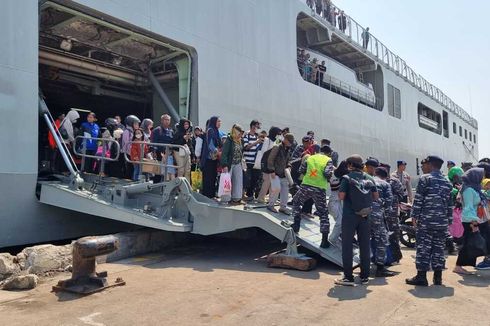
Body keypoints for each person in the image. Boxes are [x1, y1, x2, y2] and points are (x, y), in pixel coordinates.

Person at [406, 156, 453, 286]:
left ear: (431, 165)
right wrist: (449, 220)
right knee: (439, 249)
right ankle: (438, 278)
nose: (422, 167)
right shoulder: (447, 182)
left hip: (426, 221)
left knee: (423, 248)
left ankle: (421, 277)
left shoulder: (425, 179)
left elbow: (419, 199)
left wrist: (414, 216)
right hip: (442, 222)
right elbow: (450, 204)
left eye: (424, 165)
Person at [335, 155, 378, 286]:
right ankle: (365, 276)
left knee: (347, 245)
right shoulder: (370, 178)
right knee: (365, 245)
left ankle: (348, 277)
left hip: (350, 216)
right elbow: (376, 197)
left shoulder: (347, 178)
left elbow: (341, 196)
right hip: (365, 215)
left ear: (350, 165)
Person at [291, 145, 333, 247]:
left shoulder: (311, 157)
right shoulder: (328, 160)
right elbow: (328, 174)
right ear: (328, 153)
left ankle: (296, 224)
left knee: (296, 202)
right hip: (319, 188)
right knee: (323, 212)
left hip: (306, 185)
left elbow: (301, 170)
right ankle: (324, 240)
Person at [453, 167, 487, 275]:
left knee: (472, 242)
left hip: (475, 219)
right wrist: (474, 222)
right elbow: (468, 208)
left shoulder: (474, 189)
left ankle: (460, 265)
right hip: (470, 221)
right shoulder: (468, 190)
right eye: (481, 176)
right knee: (468, 243)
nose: (482, 179)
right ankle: (458, 266)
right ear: (475, 177)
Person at [371, 165, 396, 277]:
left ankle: (364, 266)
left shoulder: (366, 180)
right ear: (385, 176)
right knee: (382, 240)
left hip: (361, 215)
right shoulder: (385, 184)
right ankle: (380, 268)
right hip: (377, 216)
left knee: (364, 239)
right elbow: (389, 202)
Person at [266, 133, 295, 214]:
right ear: (285, 140)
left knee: (285, 190)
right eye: (289, 141)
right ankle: (271, 205)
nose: (290, 143)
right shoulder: (277, 147)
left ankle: (283, 207)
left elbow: (288, 160)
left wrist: (289, 166)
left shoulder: (288, 149)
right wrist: (272, 170)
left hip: (284, 173)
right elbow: (270, 159)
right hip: (275, 172)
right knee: (276, 188)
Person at [382, 163, 404, 263]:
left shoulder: (394, 181)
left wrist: (393, 200)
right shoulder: (378, 180)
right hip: (381, 212)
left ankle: (396, 256)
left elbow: (401, 193)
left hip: (392, 212)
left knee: (394, 233)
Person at [220, 124, 245, 204]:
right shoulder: (229, 140)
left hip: (238, 163)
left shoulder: (240, 141)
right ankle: (225, 199)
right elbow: (224, 153)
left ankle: (236, 198)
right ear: (234, 132)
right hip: (229, 163)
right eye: (239, 133)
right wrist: (224, 165)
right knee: (227, 181)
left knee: (238, 180)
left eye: (241, 133)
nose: (240, 135)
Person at [257, 127, 282, 203]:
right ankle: (261, 198)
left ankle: (271, 198)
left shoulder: (276, 141)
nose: (278, 135)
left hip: (273, 165)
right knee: (266, 182)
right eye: (278, 134)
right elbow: (264, 152)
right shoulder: (267, 140)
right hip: (267, 163)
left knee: (272, 183)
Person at [328, 160, 349, 248]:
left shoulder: (342, 176)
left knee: (343, 221)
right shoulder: (334, 175)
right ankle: (332, 239)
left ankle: (337, 237)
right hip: (333, 202)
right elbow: (334, 187)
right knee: (340, 222)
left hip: (339, 202)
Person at [201, 116, 222, 198]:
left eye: (220, 121)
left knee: (213, 177)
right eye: (218, 121)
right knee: (208, 178)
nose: (219, 123)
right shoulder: (210, 130)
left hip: (214, 158)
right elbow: (210, 145)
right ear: (214, 122)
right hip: (208, 158)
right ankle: (207, 195)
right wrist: (218, 152)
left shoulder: (216, 131)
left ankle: (211, 195)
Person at [243, 120, 263, 201]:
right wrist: (257, 142)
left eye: (258, 127)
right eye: (256, 126)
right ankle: (243, 195)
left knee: (254, 180)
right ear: (252, 126)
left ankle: (250, 195)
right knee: (247, 180)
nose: (257, 128)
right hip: (247, 162)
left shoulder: (257, 136)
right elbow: (246, 147)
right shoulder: (246, 136)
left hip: (256, 162)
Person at [151, 114, 174, 183]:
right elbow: (154, 142)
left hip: (169, 154)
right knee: (158, 172)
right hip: (159, 153)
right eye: (165, 119)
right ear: (161, 120)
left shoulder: (171, 131)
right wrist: (154, 152)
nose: (167, 121)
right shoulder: (157, 130)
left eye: (168, 120)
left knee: (168, 171)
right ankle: (156, 186)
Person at [121, 115, 141, 179]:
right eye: (136, 124)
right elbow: (127, 143)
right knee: (129, 168)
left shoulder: (134, 132)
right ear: (131, 124)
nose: (137, 125)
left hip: (133, 153)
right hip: (128, 153)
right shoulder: (127, 132)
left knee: (133, 169)